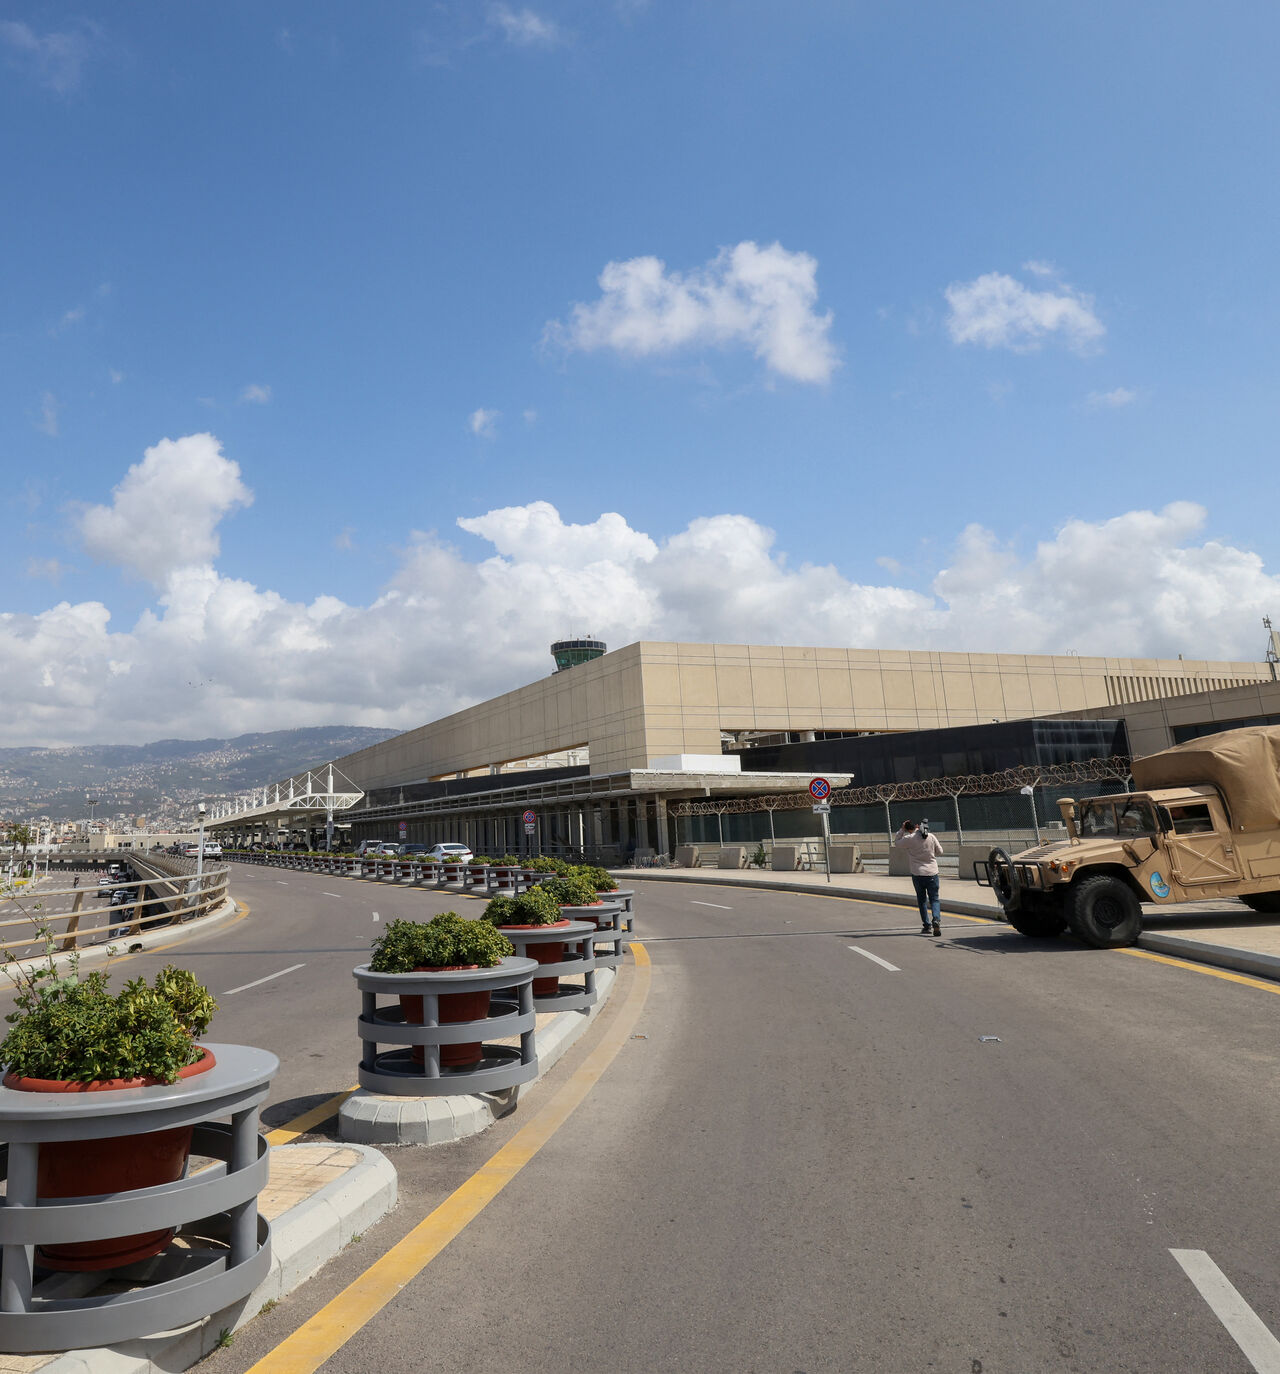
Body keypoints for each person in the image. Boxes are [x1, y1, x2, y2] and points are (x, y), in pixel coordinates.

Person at [894, 819, 944, 936]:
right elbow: (940, 851)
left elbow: (896, 842)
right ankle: (936, 919)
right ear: (918, 826)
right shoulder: (931, 836)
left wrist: (902, 830)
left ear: (907, 828)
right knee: (934, 899)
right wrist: (931, 853)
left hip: (917, 874)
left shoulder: (909, 839)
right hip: (932, 872)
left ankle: (927, 926)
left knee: (922, 900)